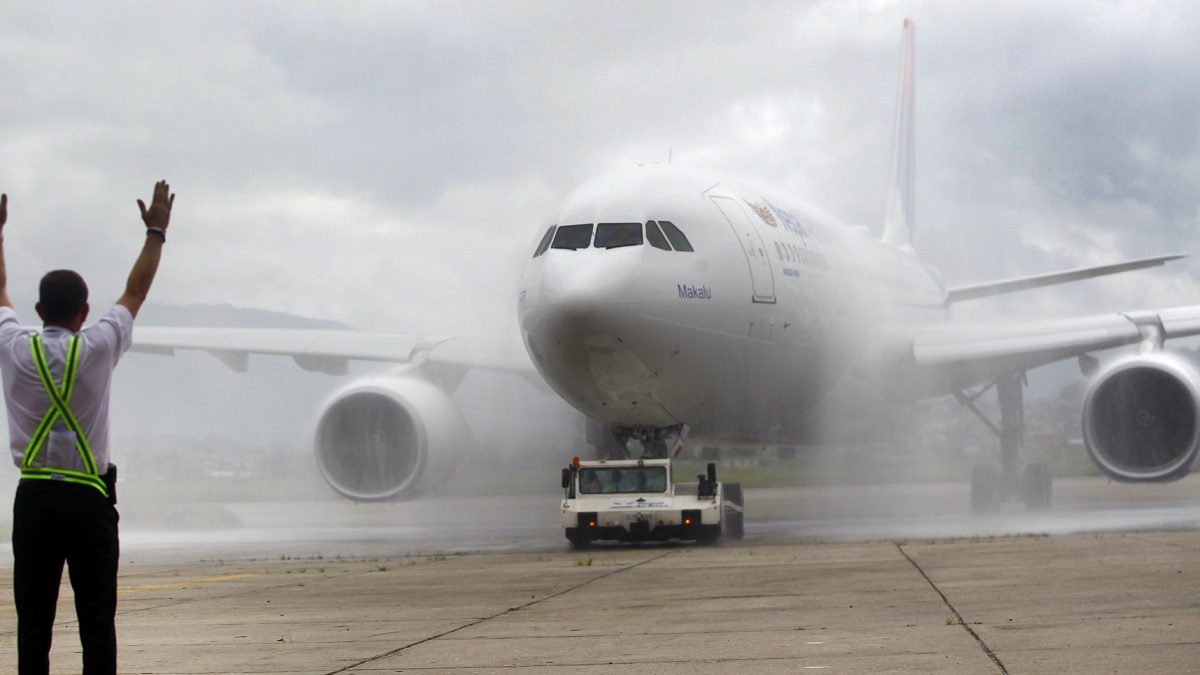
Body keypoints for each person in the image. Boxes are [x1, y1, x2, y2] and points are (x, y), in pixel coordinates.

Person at [0, 181, 175, 675]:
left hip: (34, 500)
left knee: (33, 623)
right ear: (84, 312)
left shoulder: (14, 348)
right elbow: (136, 291)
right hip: (87, 501)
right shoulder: (98, 347)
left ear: (38, 312)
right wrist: (156, 232)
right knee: (97, 622)